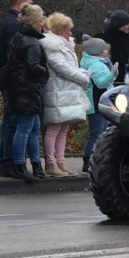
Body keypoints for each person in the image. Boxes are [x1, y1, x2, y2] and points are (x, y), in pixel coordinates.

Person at [1, 4, 50, 182]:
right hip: (28, 89)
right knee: (25, 128)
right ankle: (21, 165)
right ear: (35, 22)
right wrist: (46, 72)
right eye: (41, 18)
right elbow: (33, 66)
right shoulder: (32, 41)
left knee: (32, 127)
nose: (43, 22)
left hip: (19, 87)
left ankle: (35, 165)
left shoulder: (19, 37)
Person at [41, 12, 91, 176]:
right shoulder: (53, 46)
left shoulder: (63, 45)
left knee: (63, 128)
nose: (71, 33)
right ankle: (51, 163)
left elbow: (68, 67)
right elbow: (61, 67)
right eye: (68, 29)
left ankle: (61, 162)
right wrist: (82, 76)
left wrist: (81, 73)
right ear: (61, 30)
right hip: (58, 91)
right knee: (54, 128)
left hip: (65, 92)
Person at [0, 0, 33, 178]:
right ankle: (8, 162)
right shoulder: (14, 24)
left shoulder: (8, 22)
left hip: (9, 76)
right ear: (20, 1)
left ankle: (6, 162)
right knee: (12, 122)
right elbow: (16, 53)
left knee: (10, 122)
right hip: (14, 79)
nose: (31, 1)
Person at [80, 34, 117, 173]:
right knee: (97, 132)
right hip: (97, 103)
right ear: (99, 51)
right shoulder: (96, 65)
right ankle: (88, 160)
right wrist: (112, 74)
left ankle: (97, 160)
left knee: (100, 132)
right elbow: (101, 83)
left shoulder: (98, 63)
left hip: (101, 102)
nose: (107, 51)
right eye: (105, 49)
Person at [98, 9, 129, 82]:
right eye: (127, 24)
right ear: (119, 25)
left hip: (125, 81)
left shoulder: (128, 39)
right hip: (107, 81)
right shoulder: (101, 39)